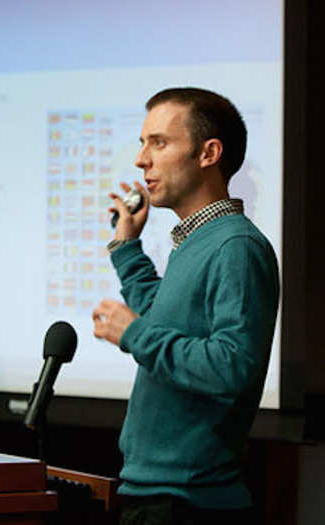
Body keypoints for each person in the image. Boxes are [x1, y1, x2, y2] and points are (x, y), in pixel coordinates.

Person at [92, 87, 279, 525]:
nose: (141, 160)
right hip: (158, 495)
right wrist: (126, 248)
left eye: (158, 142)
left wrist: (135, 334)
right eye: (142, 143)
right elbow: (166, 319)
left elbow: (233, 365)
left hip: (189, 504)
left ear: (208, 153)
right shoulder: (196, 242)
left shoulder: (236, 245)